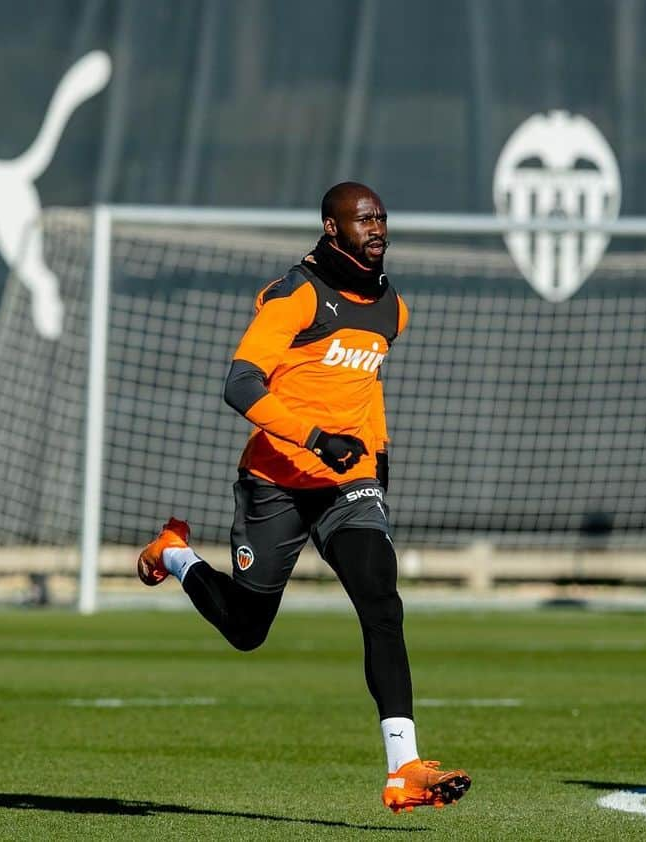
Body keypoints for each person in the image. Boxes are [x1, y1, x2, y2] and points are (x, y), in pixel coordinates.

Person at [136, 182, 470, 813]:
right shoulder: (296, 295)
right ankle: (175, 553)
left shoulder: (390, 306)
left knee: (381, 599)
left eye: (381, 218)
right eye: (363, 219)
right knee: (245, 629)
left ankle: (404, 770)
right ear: (331, 225)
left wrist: (380, 450)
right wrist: (315, 437)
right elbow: (239, 384)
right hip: (276, 482)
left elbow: (364, 388)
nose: (377, 227)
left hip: (349, 481)